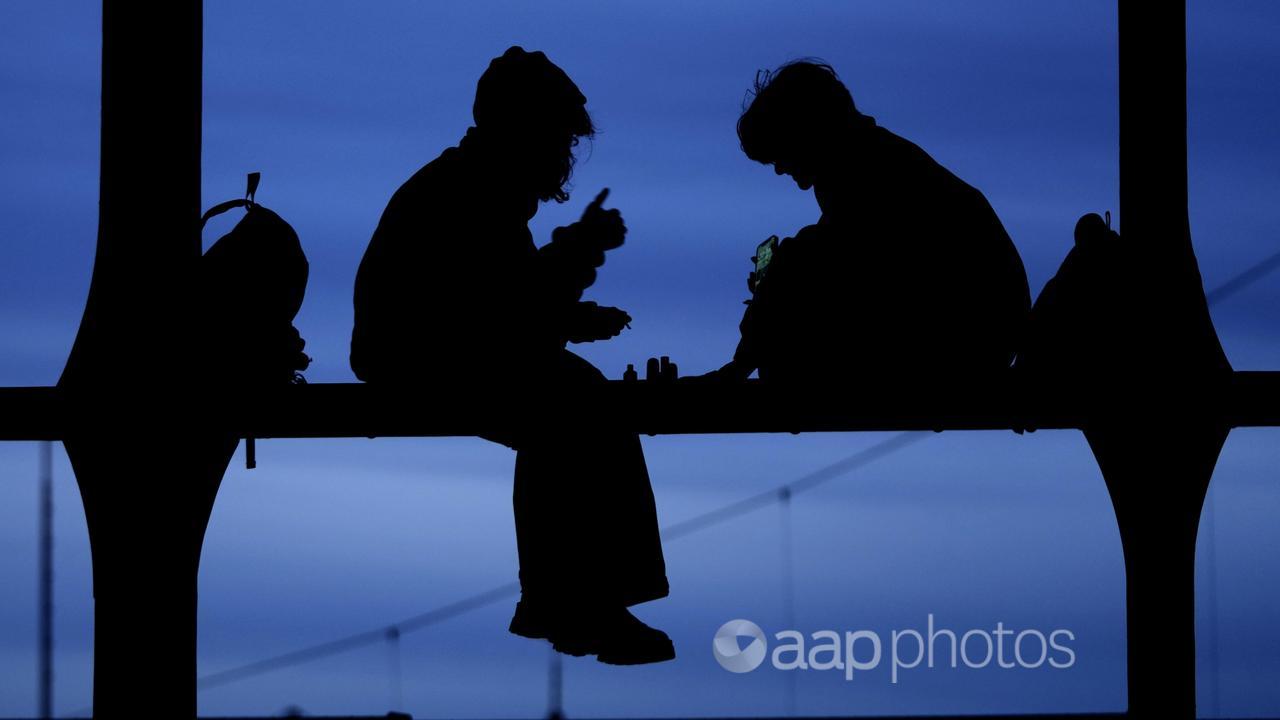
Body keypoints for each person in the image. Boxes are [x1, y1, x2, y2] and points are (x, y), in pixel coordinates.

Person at [350, 47, 673, 664]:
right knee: (572, 405)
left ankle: (571, 599)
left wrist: (570, 307)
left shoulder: (477, 186)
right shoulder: (470, 192)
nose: (565, 156)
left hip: (429, 349)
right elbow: (500, 305)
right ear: (526, 130)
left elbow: (502, 305)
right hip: (416, 357)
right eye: (559, 139)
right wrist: (579, 254)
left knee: (574, 400)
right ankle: (575, 600)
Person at [713, 61, 1030, 383]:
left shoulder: (870, 170)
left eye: (779, 154)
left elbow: (822, 261)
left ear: (807, 131)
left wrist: (745, 356)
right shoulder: (878, 157)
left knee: (798, 265)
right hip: (977, 335)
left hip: (965, 342)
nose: (780, 169)